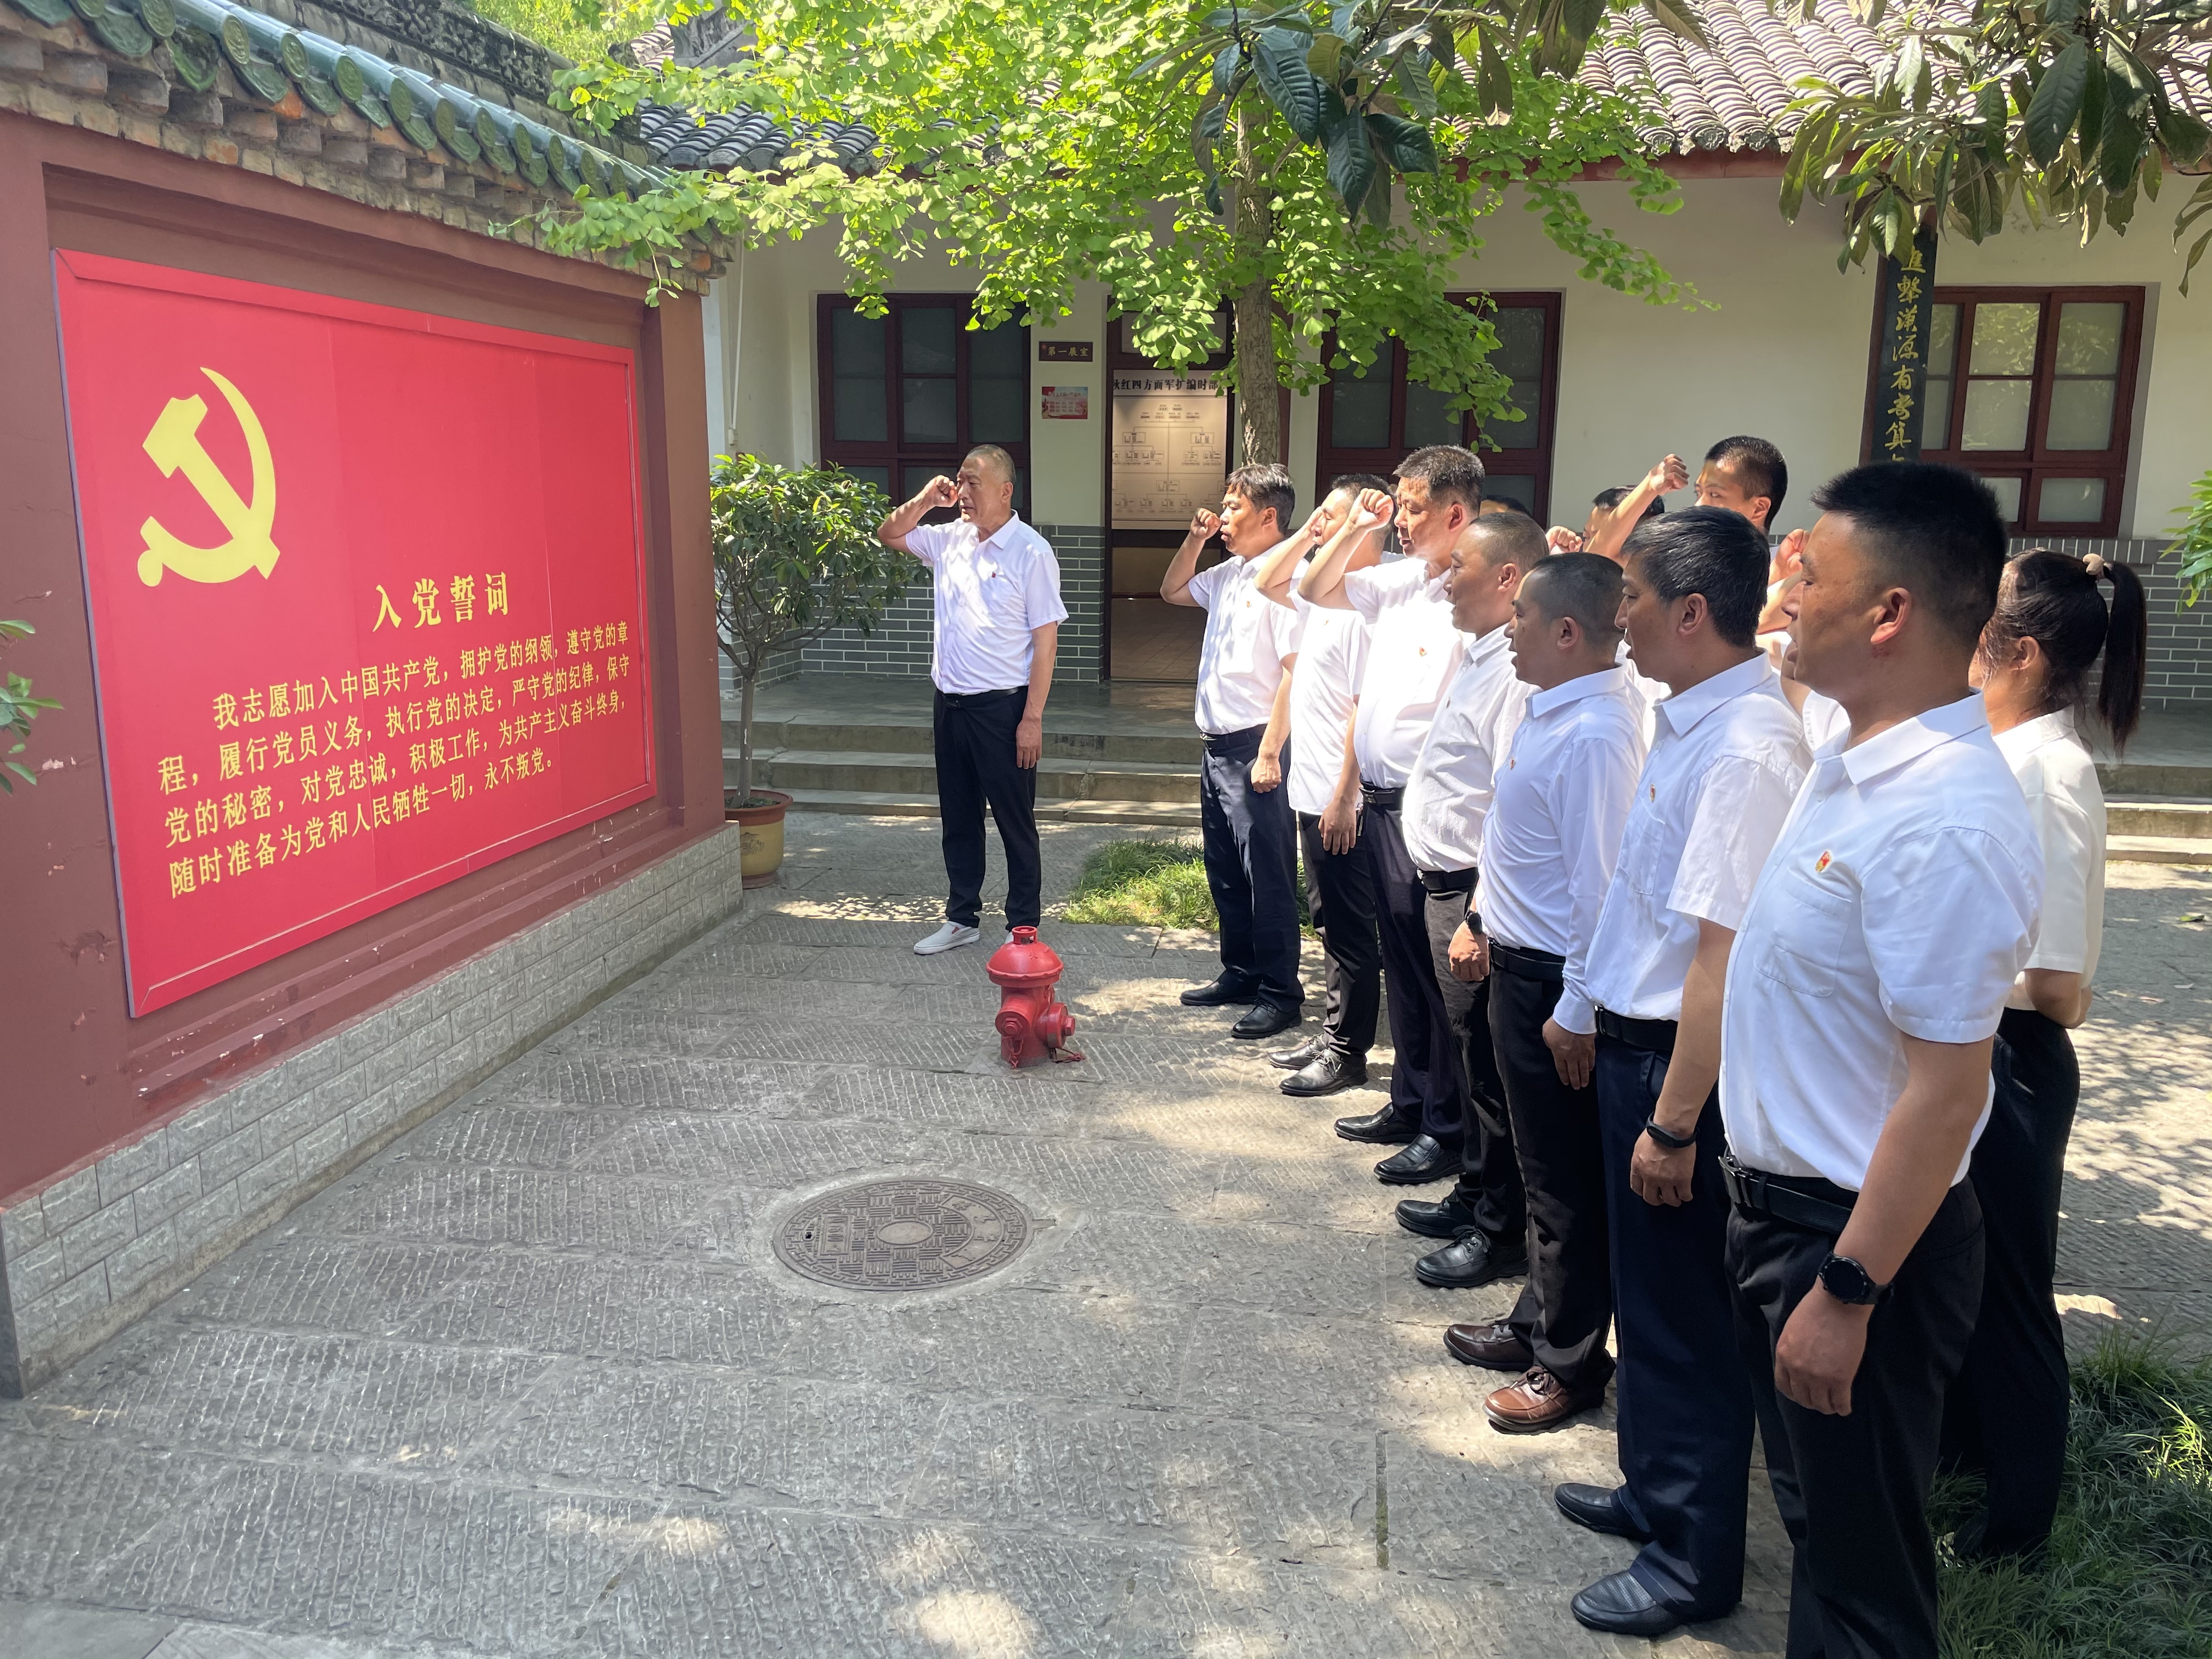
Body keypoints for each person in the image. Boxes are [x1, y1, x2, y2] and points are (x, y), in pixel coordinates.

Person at [1719, 462, 2041, 1659]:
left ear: (1892, 613)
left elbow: (1948, 1091)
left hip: (1854, 1245)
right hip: (1782, 1220)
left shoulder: (1947, 815)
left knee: (1864, 1577)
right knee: (1820, 1526)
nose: (1785, 596)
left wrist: (1847, 1293)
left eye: (1809, 576)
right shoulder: (1858, 760)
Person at [1557, 508, 1812, 1638]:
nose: (1619, 619)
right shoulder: (1687, 720)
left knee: (1685, 1320)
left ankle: (1691, 1560)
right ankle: (1656, 1493)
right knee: (1649, 1300)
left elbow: (1721, 956)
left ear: (1693, 612)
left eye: (1635, 601)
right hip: (1632, 1047)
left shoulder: (1750, 746)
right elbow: (1641, 901)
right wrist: (1584, 1004)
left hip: (1677, 1072)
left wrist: (1672, 1123)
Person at [1943, 548, 2146, 1560]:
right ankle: (1964, 1453)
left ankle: (2015, 1521)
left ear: (2019, 653)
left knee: (2013, 1288)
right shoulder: (2007, 752)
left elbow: (2059, 986)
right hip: (1970, 1043)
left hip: (2012, 1058)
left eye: (1975, 645)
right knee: (1962, 1271)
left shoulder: (2048, 774)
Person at [1446, 553, 1646, 1432]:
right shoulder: (1549, 708)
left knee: (1564, 1182)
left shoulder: (1598, 734)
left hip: (1555, 985)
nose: (1509, 629)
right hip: (1516, 963)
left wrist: (1577, 1007)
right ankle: (1538, 1322)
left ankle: (1568, 1362)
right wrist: (1482, 921)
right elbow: (1517, 846)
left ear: (1569, 631)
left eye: (1522, 617)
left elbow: (1600, 890)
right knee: (1539, 1170)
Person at [1299, 447, 1481, 1184]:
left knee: (1437, 980)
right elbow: (1314, 587)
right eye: (1399, 506)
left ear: (1455, 515)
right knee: (1402, 963)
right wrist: (1351, 529)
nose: (1401, 522)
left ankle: (1445, 1122)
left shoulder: (1474, 595)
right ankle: (1408, 1101)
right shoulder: (1401, 582)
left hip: (1427, 809)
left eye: (1412, 509)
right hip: (1379, 801)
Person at [1392, 511, 1549, 1290]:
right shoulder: (1483, 655)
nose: (1446, 578)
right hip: (1444, 889)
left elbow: (1509, 811)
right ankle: (1478, 1191)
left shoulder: (1517, 675)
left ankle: (1499, 1231)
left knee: (1489, 1074)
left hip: (1472, 899)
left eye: (1461, 567)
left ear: (1509, 577)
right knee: (1470, 1058)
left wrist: (1482, 915)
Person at [877, 447, 1068, 955]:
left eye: (974, 482)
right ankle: (962, 918)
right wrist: (924, 498)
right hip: (951, 706)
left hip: (1003, 711)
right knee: (958, 819)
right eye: (959, 480)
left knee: (1014, 821)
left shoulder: (1031, 552)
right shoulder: (949, 539)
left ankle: (1023, 924)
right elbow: (889, 533)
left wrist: (1032, 718)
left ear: (1006, 491)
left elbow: (1046, 643)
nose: (963, 491)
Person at [1251, 475, 1391, 1094]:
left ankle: (1347, 1051)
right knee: (1330, 923)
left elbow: (1365, 709)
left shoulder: (1372, 603)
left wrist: (1344, 797)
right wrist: (1312, 533)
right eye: (1320, 516)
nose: (1321, 524)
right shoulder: (1323, 594)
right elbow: (1267, 581)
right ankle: (1335, 1031)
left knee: (1354, 931)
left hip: (1343, 799)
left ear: (1370, 524)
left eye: (1334, 517)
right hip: (1309, 789)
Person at [1161, 464, 1306, 1039]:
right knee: (1225, 871)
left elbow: (1295, 673)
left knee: (1266, 874)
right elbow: (1173, 590)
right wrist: (1194, 540)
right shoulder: (1228, 574)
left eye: (1234, 508)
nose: (1223, 517)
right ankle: (1240, 971)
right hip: (1215, 747)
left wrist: (1271, 751)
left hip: (1255, 749)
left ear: (1269, 515)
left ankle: (1280, 992)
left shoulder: (1286, 580)